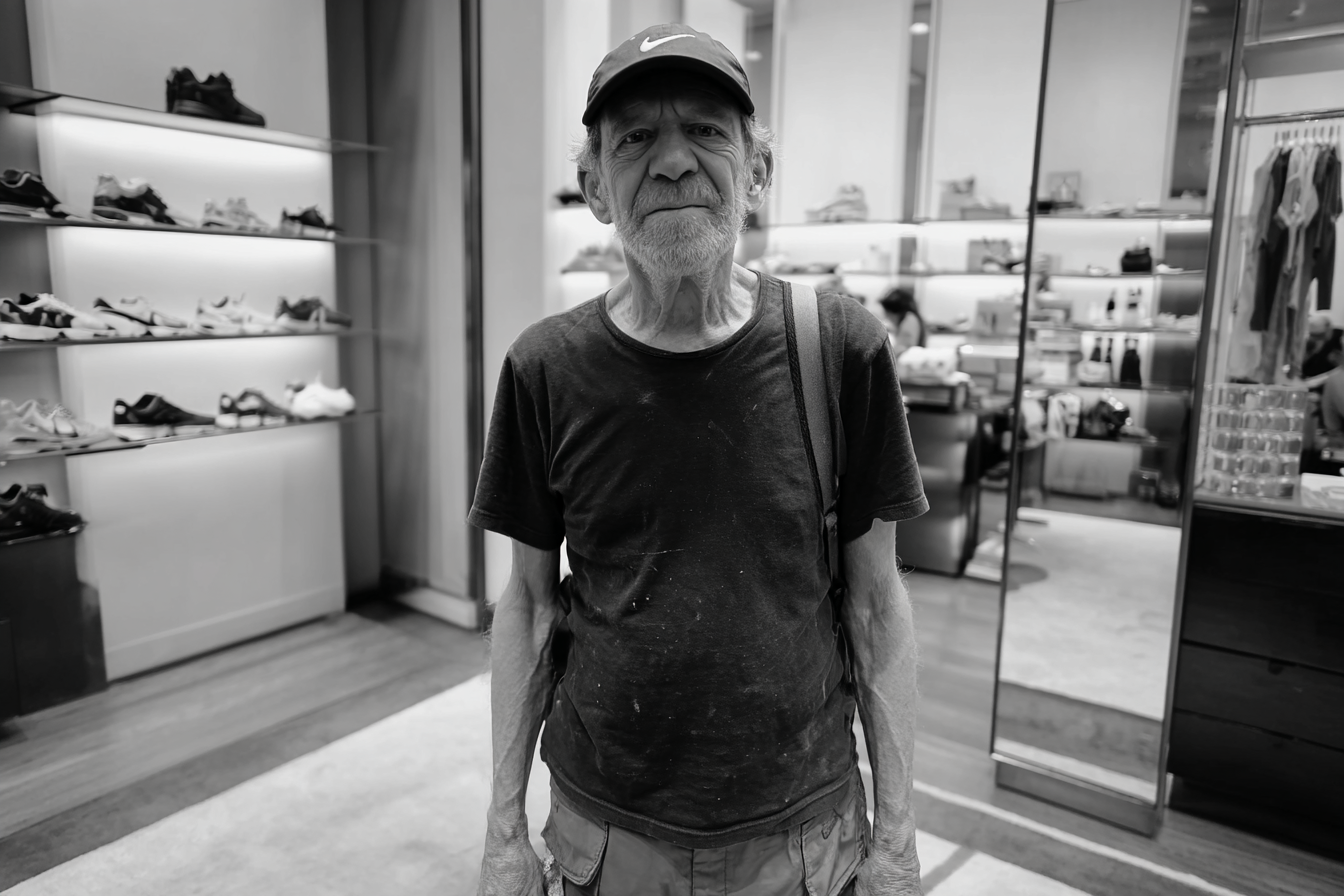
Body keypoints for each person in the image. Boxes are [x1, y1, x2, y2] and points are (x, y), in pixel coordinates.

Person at [471, 24, 927, 896]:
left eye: (708, 131)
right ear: (594, 186)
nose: (674, 162)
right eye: (635, 137)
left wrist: (897, 841)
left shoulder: (841, 349)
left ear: (756, 170)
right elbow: (528, 606)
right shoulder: (544, 370)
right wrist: (502, 834)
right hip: (603, 835)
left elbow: (877, 606)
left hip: (804, 835)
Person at [878, 287, 926, 358]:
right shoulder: (910, 318)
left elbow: (903, 348)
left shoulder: (909, 320)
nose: (886, 316)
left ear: (893, 311)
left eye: (887, 312)